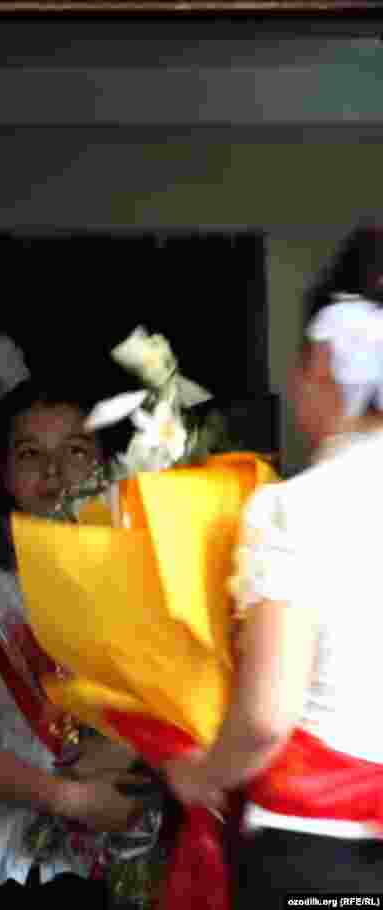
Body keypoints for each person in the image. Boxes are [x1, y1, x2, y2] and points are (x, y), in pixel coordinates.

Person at [163, 287, 383, 904]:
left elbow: (265, 716)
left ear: (321, 370)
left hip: (320, 844)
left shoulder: (296, 507)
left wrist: (199, 774)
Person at [0, 379, 149, 906]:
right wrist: (76, 799)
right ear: (4, 472)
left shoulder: (153, 587)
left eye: (75, 450)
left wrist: (127, 764)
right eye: (30, 453)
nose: (53, 472)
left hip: (118, 855)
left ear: (105, 464)